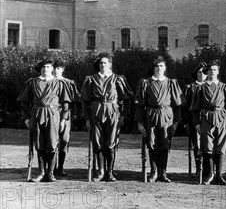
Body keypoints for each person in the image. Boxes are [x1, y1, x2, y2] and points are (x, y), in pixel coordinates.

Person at [81, 52, 133, 182]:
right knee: (98, 142)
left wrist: (123, 115)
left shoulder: (118, 79)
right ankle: (100, 171)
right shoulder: (91, 79)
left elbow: (127, 98)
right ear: (98, 65)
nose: (103, 65)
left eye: (105, 63)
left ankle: (110, 172)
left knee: (111, 142)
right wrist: (87, 118)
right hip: (96, 112)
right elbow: (85, 101)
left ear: (110, 64)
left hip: (113, 112)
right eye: (101, 63)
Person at [18, 59, 71, 182]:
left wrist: (63, 119)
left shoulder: (59, 83)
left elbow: (65, 104)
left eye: (47, 67)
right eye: (43, 67)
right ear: (40, 69)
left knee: (52, 143)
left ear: (52, 69)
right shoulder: (32, 83)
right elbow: (24, 102)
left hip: (53, 115)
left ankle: (50, 173)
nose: (45, 69)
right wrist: (26, 118)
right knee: (39, 143)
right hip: (36, 115)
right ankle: (41, 173)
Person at [134, 56, 182, 183]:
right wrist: (140, 123)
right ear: (153, 68)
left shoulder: (171, 83)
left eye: (161, 66)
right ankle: (154, 172)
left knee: (165, 144)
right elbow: (140, 105)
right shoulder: (146, 83)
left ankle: (163, 172)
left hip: (167, 115)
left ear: (165, 68)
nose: (159, 68)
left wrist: (176, 122)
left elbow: (177, 106)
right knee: (152, 143)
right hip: (151, 115)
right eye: (157, 66)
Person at [191, 59, 226, 185]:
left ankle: (219, 175)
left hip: (222, 117)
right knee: (208, 147)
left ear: (218, 71)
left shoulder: (224, 87)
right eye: (210, 70)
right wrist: (197, 124)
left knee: (220, 148)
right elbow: (195, 109)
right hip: (206, 117)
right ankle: (210, 174)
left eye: (215, 70)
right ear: (206, 72)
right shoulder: (201, 88)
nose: (212, 72)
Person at [52, 59, 80, 177]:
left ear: (62, 69)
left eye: (58, 68)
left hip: (65, 113)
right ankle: (51, 168)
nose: (56, 71)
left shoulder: (69, 83)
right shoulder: (49, 81)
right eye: (54, 68)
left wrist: (72, 112)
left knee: (64, 140)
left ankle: (61, 167)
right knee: (52, 140)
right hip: (51, 113)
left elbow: (76, 98)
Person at [183, 62, 207, 180]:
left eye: (204, 72)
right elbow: (185, 107)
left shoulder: (210, 86)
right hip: (194, 121)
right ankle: (199, 169)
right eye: (199, 72)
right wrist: (186, 122)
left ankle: (208, 170)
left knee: (208, 145)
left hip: (209, 120)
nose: (202, 75)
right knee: (197, 145)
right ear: (196, 74)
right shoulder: (190, 87)